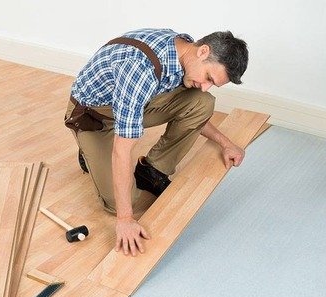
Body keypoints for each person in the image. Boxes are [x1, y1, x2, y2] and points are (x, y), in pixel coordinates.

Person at [64, 28, 248, 257]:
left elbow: (195, 112)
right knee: (119, 203)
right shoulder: (139, 69)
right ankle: (89, 151)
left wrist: (225, 143)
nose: (205, 86)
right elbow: (122, 151)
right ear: (203, 51)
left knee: (202, 102)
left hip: (132, 102)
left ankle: (151, 170)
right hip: (94, 118)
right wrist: (125, 219)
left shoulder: (183, 52)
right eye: (209, 78)